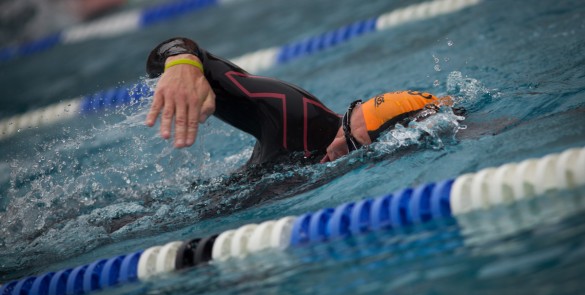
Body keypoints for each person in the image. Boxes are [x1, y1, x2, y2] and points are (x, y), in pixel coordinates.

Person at [145, 37, 451, 167]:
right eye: (346, 131)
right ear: (351, 113)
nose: (335, 151)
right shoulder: (301, 118)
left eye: (356, 148)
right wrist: (181, 62)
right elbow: (182, 49)